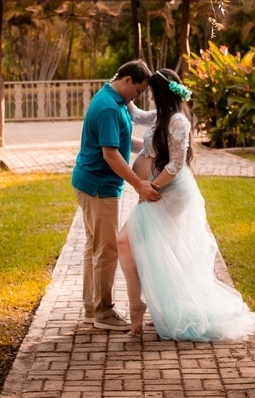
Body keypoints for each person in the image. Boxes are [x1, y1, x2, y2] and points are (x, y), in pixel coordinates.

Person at [117, 68, 255, 341]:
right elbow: (136, 115)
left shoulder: (177, 121)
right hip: (158, 191)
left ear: (161, 94)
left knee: (127, 240)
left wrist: (149, 188)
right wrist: (118, 82)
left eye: (152, 93)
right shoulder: (161, 115)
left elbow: (175, 165)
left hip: (169, 192)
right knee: (157, 248)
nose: (149, 97)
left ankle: (140, 306)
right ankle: (157, 306)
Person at [71, 60, 161, 330]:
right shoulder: (109, 107)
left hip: (91, 183)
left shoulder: (115, 99)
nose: (139, 96)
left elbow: (121, 142)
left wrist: (151, 149)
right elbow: (110, 155)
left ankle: (92, 308)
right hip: (99, 187)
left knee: (95, 247)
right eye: (139, 90)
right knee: (107, 250)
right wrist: (139, 184)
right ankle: (104, 313)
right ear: (127, 80)